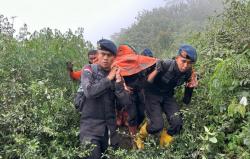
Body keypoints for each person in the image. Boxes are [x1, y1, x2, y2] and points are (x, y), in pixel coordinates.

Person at [135, 44, 198, 149]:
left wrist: (190, 87)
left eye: (189, 63)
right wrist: (156, 71)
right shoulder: (166, 64)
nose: (185, 65)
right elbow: (146, 83)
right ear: (177, 58)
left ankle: (163, 147)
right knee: (157, 126)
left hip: (167, 95)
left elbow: (186, 100)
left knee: (177, 123)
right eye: (183, 61)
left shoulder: (188, 73)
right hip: (152, 94)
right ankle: (140, 136)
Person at [79, 39, 131, 159]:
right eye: (103, 54)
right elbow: (89, 92)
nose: (105, 58)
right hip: (90, 130)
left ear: (114, 58)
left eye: (109, 55)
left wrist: (118, 83)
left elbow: (125, 103)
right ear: (98, 54)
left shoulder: (117, 76)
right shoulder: (89, 69)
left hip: (109, 131)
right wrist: (109, 79)